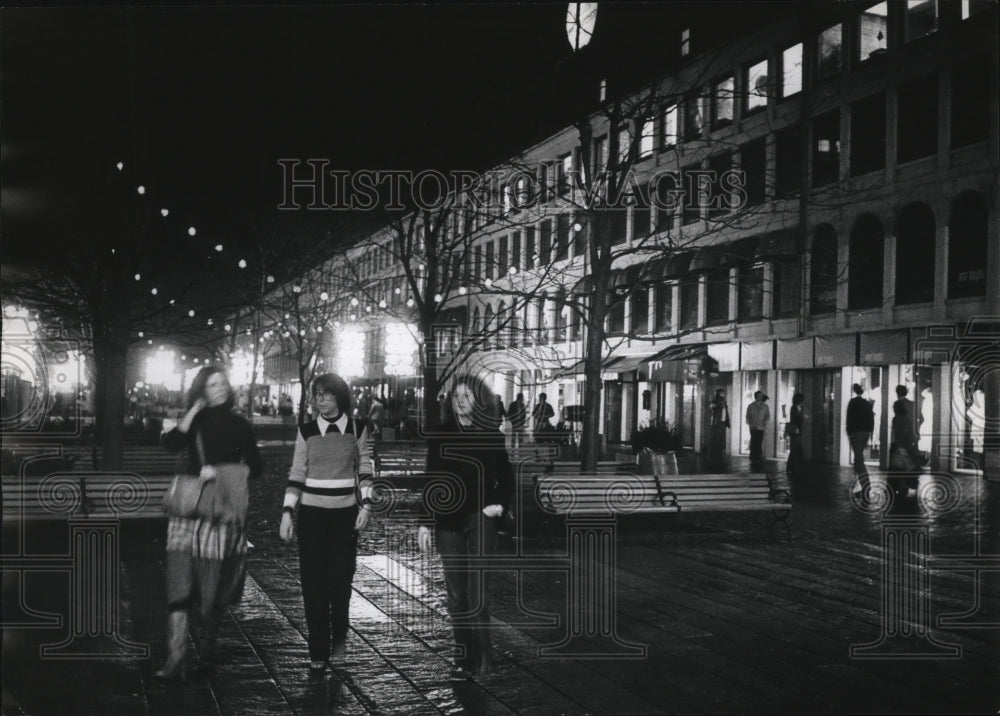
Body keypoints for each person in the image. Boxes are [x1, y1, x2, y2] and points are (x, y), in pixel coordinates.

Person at [157, 366, 262, 681]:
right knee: (178, 581)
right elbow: (172, 445)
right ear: (202, 389)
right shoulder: (196, 419)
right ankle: (176, 656)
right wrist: (193, 411)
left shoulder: (240, 425)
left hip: (220, 512)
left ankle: (206, 652)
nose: (219, 389)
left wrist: (224, 472)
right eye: (211, 384)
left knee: (211, 587)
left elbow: (256, 467)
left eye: (222, 383)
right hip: (188, 509)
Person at [418, 373, 514, 682]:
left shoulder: (491, 435)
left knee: (476, 592)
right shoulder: (441, 434)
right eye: (456, 396)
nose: (461, 400)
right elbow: (431, 479)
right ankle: (462, 657)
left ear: (478, 400)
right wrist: (424, 521)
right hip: (448, 521)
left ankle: (483, 654)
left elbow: (507, 479)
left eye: (467, 396)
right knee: (457, 595)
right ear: (451, 401)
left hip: (480, 517)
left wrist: (498, 506)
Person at [279, 373, 374, 675]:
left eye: (326, 393)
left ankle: (340, 640)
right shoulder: (306, 431)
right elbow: (297, 472)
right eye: (316, 393)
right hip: (312, 517)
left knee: (340, 580)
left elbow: (366, 469)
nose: (320, 399)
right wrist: (286, 512)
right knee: (313, 583)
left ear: (339, 397)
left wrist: (367, 505)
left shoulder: (357, 428)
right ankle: (317, 648)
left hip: (344, 516)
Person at [846, 383, 875, 496]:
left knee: (858, 458)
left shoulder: (853, 402)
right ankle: (862, 484)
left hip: (855, 433)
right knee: (858, 458)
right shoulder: (866, 403)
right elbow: (871, 418)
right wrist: (869, 431)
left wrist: (849, 431)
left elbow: (849, 418)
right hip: (865, 433)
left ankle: (865, 485)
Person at [889, 400, 921, 499]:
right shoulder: (908, 419)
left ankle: (897, 488)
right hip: (907, 445)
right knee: (906, 467)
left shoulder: (896, 419)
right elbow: (911, 433)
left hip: (898, 445)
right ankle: (906, 487)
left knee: (896, 467)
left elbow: (896, 434)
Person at [893, 385, 925, 467]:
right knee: (913, 456)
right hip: (913, 434)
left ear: (897, 393)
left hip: (902, 436)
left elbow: (897, 422)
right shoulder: (913, 404)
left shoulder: (898, 404)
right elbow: (921, 418)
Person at [745, 391, 770, 468]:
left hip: (761, 427)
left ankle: (758, 456)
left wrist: (764, 422)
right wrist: (750, 423)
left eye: (761, 396)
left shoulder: (765, 406)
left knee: (759, 441)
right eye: (759, 396)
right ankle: (753, 456)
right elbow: (747, 416)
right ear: (756, 396)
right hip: (753, 427)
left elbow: (768, 416)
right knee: (753, 440)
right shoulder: (751, 406)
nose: (760, 397)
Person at [785, 392, 806, 478]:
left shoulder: (800, 408)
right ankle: (791, 467)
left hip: (798, 430)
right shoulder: (794, 408)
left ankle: (792, 467)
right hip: (795, 431)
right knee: (795, 449)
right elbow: (795, 419)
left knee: (796, 449)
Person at [708, 388, 730, 469]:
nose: (723, 394)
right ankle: (714, 456)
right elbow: (712, 409)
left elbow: (725, 413)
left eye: (723, 393)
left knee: (720, 440)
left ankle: (719, 456)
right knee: (716, 440)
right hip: (717, 423)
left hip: (722, 423)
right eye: (721, 393)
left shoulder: (723, 402)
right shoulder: (715, 402)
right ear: (718, 394)